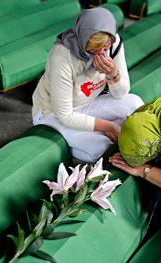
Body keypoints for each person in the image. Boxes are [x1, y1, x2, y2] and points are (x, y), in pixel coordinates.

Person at [32, 7, 143, 162]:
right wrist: (108, 127)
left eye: (105, 48)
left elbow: (121, 94)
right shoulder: (61, 57)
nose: (101, 54)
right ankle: (84, 137)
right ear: (83, 38)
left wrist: (113, 74)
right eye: (93, 50)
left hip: (87, 104)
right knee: (101, 147)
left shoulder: (114, 42)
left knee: (135, 104)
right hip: (52, 113)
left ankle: (86, 135)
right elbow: (65, 116)